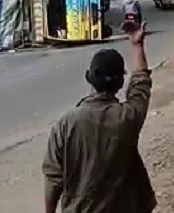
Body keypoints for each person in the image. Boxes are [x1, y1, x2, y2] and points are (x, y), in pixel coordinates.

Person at [42, 21, 156, 213]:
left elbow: (53, 180)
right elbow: (141, 83)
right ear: (120, 83)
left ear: (89, 78)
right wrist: (137, 45)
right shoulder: (128, 117)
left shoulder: (66, 123)